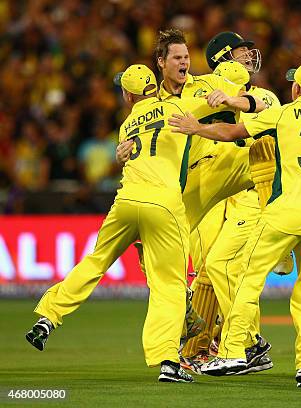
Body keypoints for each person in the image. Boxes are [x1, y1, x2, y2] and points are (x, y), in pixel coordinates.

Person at [170, 62, 301, 388]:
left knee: (246, 280)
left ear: (297, 89)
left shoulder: (284, 114)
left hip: (282, 214)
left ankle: (232, 351)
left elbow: (231, 132)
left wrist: (195, 127)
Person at [26, 64, 194, 383]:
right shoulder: (177, 105)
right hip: (164, 205)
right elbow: (210, 108)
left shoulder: (128, 124)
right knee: (168, 285)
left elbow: (126, 156)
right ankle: (168, 362)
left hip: (127, 202)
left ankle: (48, 316)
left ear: (128, 95)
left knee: (96, 261)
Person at [115, 29, 268, 368]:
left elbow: (266, 104)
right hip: (187, 185)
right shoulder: (157, 106)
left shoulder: (211, 84)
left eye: (187, 57)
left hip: (226, 169)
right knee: (202, 267)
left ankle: (237, 340)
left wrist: (234, 100)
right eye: (177, 58)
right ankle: (199, 336)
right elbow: (140, 139)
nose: (247, 58)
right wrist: (124, 150)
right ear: (162, 63)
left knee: (217, 265)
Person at [181, 31, 286, 369]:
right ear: (225, 58)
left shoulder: (261, 96)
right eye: (242, 51)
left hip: (248, 187)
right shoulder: (198, 90)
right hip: (212, 183)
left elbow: (253, 111)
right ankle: (205, 345)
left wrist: (230, 101)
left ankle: (244, 342)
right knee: (210, 270)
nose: (250, 55)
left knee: (224, 266)